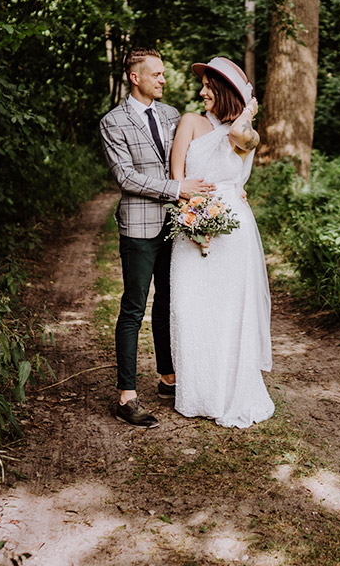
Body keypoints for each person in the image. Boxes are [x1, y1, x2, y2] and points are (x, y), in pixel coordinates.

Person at [100, 48, 213, 428]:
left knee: (169, 301)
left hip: (174, 226)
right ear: (136, 77)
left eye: (163, 74)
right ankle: (126, 396)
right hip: (138, 228)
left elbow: (191, 161)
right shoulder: (113, 122)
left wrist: (229, 188)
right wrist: (175, 187)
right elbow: (126, 178)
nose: (164, 79)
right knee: (134, 308)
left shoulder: (171, 116)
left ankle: (168, 378)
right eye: (157, 74)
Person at [168, 56, 274, 428]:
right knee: (190, 307)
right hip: (193, 221)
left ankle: (231, 390)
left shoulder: (244, 134)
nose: (201, 92)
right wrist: (195, 218)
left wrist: (246, 111)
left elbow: (239, 139)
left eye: (209, 87)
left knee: (231, 311)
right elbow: (177, 177)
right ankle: (198, 392)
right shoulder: (190, 122)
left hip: (233, 230)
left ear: (226, 92)